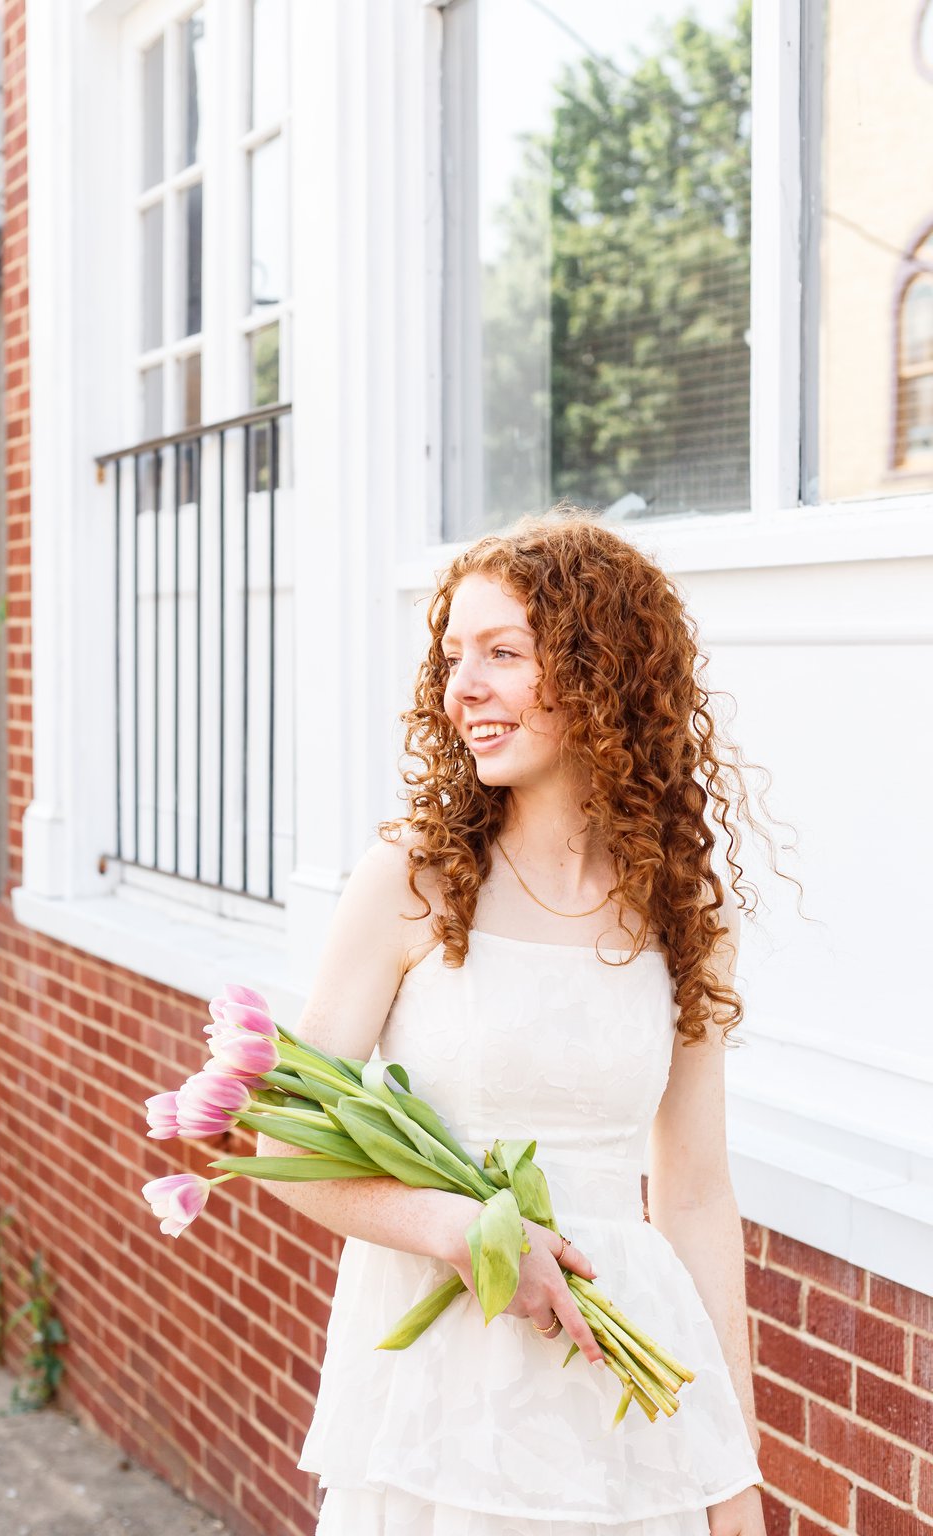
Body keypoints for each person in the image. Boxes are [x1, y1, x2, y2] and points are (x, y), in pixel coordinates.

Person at [257, 512, 775, 1535]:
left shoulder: (684, 914)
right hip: (438, 1393)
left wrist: (731, 1465)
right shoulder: (412, 881)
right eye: (453, 656)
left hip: (622, 1387)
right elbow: (282, 1142)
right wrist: (462, 1227)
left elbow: (698, 1198)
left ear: (602, 671)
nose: (462, 689)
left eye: (503, 652)